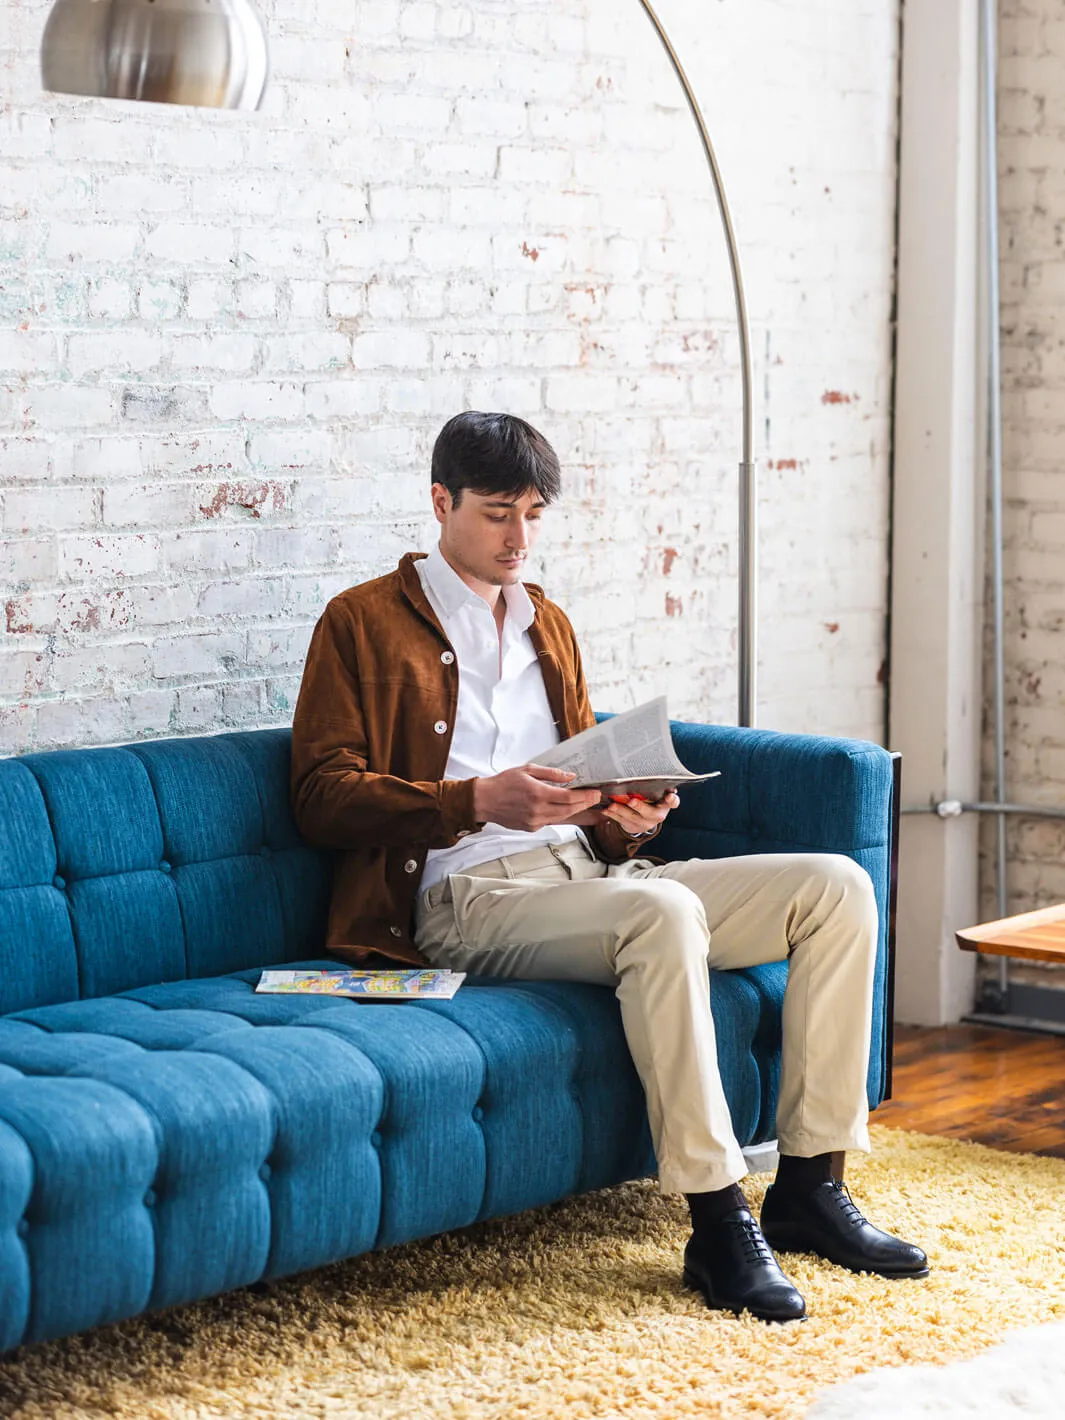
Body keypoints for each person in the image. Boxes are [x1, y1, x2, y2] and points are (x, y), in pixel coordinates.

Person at [290, 411, 927, 1324]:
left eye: (535, 515)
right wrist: (473, 802)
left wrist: (622, 816)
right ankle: (716, 1218)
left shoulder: (547, 622)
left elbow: (580, 794)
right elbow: (320, 795)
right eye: (498, 513)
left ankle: (808, 1186)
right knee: (662, 917)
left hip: (581, 882)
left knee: (834, 886)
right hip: (462, 902)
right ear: (441, 503)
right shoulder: (359, 622)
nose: (519, 538)